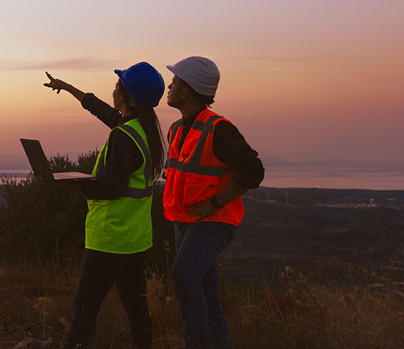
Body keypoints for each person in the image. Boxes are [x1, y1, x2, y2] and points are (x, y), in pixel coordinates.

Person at [39, 62, 168, 349]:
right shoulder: (141, 130)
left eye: (118, 85)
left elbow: (112, 188)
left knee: (83, 311)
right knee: (137, 312)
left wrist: (69, 181)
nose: (113, 89)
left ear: (126, 95)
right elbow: (99, 108)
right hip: (135, 239)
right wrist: (67, 87)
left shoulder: (123, 137)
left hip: (109, 238)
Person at [161, 56, 264, 349]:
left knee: (183, 276)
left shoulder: (219, 129)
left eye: (175, 81)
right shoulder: (176, 129)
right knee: (207, 294)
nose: (169, 85)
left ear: (186, 91)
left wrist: (216, 202)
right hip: (185, 222)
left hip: (213, 223)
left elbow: (254, 171)